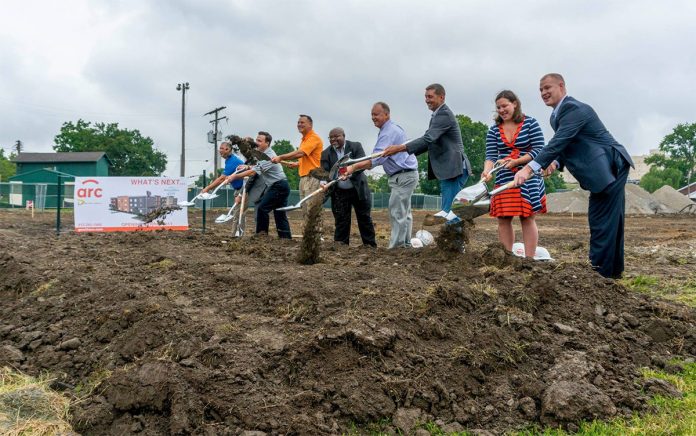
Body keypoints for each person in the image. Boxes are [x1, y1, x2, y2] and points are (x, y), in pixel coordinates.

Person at [513, 73, 634, 278]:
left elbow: (559, 141)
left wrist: (528, 169)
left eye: (547, 87)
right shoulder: (557, 115)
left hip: (610, 165)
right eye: (540, 90)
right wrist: (555, 162)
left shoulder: (574, 109)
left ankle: (600, 275)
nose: (543, 93)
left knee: (602, 220)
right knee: (607, 220)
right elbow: (566, 145)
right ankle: (611, 273)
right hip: (604, 168)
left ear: (562, 86)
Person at [382, 83, 472, 224]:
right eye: (425, 97)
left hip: (454, 168)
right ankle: (453, 242)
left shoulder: (444, 114)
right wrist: (403, 151)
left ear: (441, 97)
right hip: (449, 169)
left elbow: (428, 139)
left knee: (450, 211)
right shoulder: (437, 115)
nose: (427, 100)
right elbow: (430, 141)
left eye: (430, 96)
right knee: (448, 210)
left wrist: (399, 148)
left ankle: (456, 244)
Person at [345, 102, 418, 249]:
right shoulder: (391, 129)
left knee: (397, 210)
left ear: (386, 114)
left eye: (376, 114)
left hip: (403, 176)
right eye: (372, 114)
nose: (373, 117)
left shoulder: (388, 132)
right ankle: (405, 244)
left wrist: (353, 167)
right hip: (406, 175)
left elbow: (376, 159)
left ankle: (397, 247)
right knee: (404, 211)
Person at [482, 90, 546, 258]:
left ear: (515, 104)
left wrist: (517, 161)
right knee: (503, 218)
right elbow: (490, 156)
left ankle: (529, 259)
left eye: (505, 106)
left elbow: (540, 150)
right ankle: (507, 258)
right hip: (505, 177)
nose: (502, 110)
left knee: (527, 217)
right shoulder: (494, 130)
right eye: (498, 108)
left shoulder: (531, 123)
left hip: (529, 174)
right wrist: (486, 171)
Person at [226, 131, 292, 239]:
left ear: (267, 143)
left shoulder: (268, 156)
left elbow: (254, 172)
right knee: (279, 213)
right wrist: (247, 167)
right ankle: (286, 238)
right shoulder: (262, 154)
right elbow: (254, 166)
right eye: (256, 140)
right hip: (280, 185)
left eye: (260, 141)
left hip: (279, 186)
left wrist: (234, 177)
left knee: (262, 208)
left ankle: (261, 236)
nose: (257, 143)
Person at [320, 127, 376, 247]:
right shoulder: (326, 153)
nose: (334, 139)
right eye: (331, 137)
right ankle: (341, 246)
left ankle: (370, 246)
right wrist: (323, 182)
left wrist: (350, 173)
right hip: (339, 192)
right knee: (341, 220)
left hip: (358, 190)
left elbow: (362, 164)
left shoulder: (355, 147)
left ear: (344, 136)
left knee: (364, 218)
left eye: (337, 136)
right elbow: (324, 172)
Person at [271, 114, 323, 214]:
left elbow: (300, 153)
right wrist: (297, 164)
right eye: (298, 122)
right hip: (304, 178)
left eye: (302, 122)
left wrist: (281, 157)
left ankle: (315, 230)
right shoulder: (304, 140)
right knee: (305, 210)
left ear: (310, 125)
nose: (299, 124)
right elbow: (308, 158)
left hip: (312, 178)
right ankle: (308, 230)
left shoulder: (314, 138)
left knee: (312, 210)